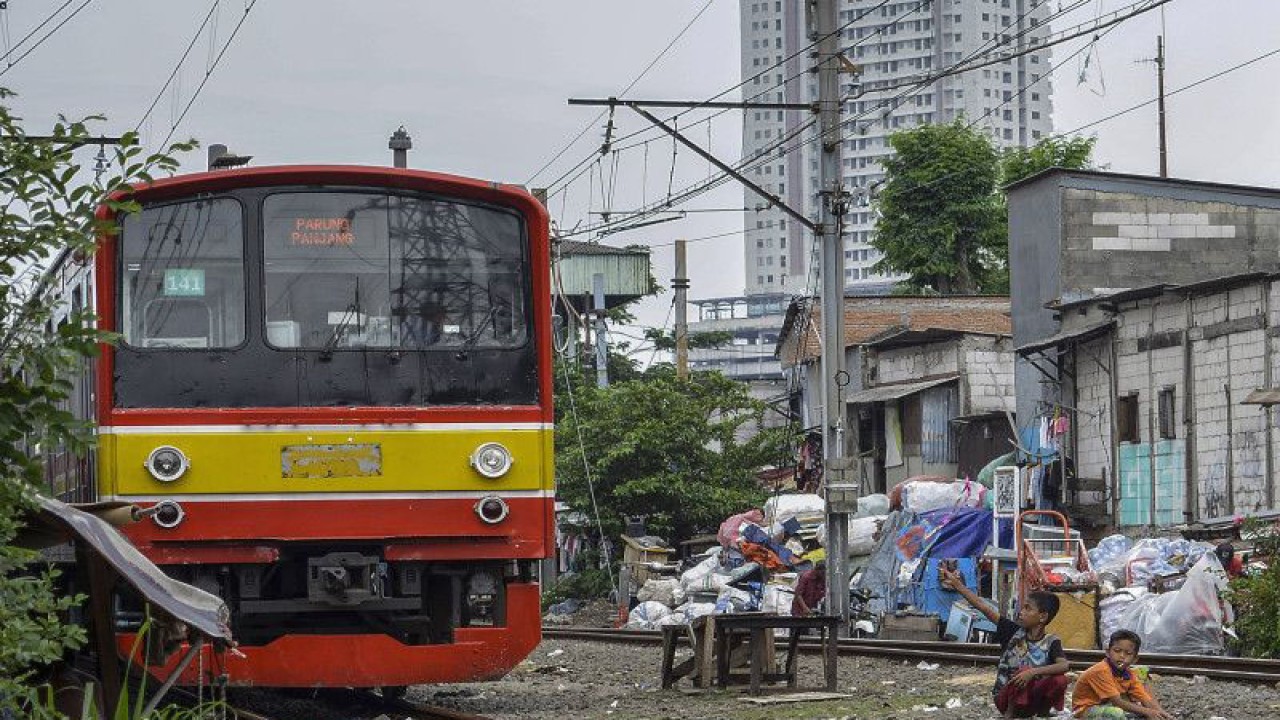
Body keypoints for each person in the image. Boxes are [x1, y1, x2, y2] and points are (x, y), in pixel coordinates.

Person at [940, 566, 1069, 718]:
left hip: (1032, 701)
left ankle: (1043, 712)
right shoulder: (1013, 632)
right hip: (1005, 698)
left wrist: (1032, 672)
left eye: (1028, 609)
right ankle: (1010, 715)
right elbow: (983, 607)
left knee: (1060, 679)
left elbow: (1064, 665)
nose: (1021, 612)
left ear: (1042, 617)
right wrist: (957, 585)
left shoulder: (1051, 641)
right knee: (1022, 671)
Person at [1073, 630, 1173, 719]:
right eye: (1117, 651)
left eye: (1128, 653)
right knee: (1116, 714)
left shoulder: (1129, 674)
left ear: (1135, 659)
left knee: (1145, 711)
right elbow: (1117, 702)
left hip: (1107, 704)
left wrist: (1162, 714)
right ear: (1108, 652)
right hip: (1085, 709)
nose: (1121, 656)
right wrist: (1148, 712)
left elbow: (1144, 698)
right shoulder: (1101, 670)